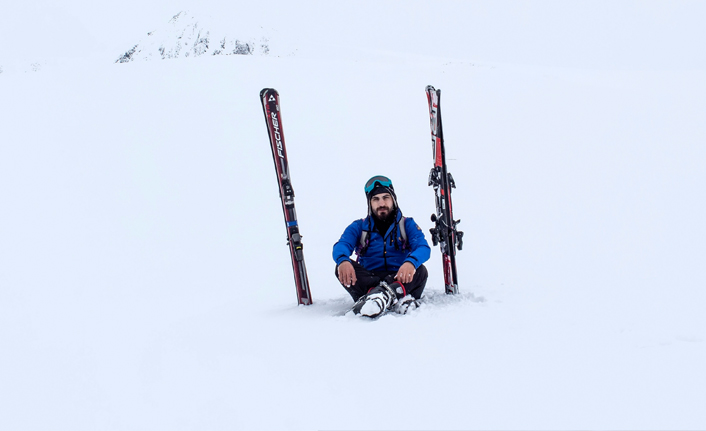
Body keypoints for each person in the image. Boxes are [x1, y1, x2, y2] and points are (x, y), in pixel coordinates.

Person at [332, 175, 431, 317]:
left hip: (399, 277)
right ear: (370, 203)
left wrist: (410, 262)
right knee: (341, 267)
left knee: (420, 270)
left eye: (386, 197)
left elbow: (423, 248)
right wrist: (343, 260)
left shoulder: (407, 225)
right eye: (376, 199)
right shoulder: (359, 227)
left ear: (393, 199)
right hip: (369, 279)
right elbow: (342, 245)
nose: (381, 203)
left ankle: (375, 298)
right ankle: (390, 298)